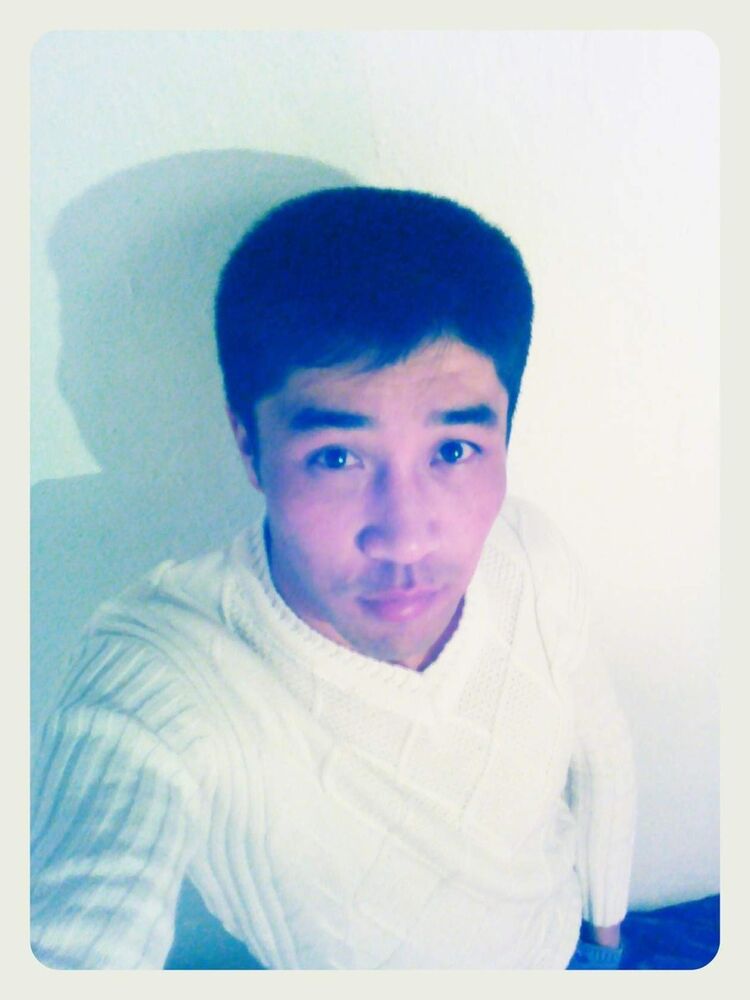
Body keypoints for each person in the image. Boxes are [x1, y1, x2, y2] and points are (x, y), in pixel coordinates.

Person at [31, 187, 636, 970]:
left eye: (453, 451)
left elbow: (602, 753)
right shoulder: (162, 672)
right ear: (249, 446)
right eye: (337, 457)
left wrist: (606, 946)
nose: (405, 537)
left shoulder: (528, 552)